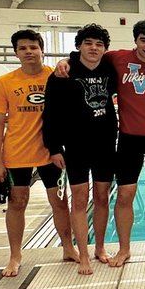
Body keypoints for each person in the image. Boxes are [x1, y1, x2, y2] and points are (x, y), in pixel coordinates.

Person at [55, 19, 145, 265]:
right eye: (143, 40)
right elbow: (88, 55)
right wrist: (65, 61)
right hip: (128, 137)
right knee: (125, 194)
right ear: (135, 40)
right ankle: (124, 249)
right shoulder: (118, 58)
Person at [0, 29, 73, 278]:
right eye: (23, 48)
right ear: (16, 53)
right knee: (17, 203)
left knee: (59, 202)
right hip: (16, 153)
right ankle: (15, 255)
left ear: (41, 50)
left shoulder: (55, 76)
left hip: (50, 153)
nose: (28, 52)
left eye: (33, 47)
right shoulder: (5, 83)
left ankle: (68, 248)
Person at [43, 24, 117, 275]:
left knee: (102, 197)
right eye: (88, 43)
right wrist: (54, 147)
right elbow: (49, 114)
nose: (94, 48)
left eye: (99, 44)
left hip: (106, 143)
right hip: (75, 145)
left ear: (105, 48)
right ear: (79, 46)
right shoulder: (62, 74)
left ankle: (100, 247)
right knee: (80, 198)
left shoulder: (110, 68)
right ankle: (83, 253)